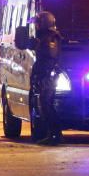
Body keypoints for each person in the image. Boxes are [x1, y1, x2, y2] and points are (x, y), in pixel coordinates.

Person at [29, 11, 63, 146]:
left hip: (48, 76)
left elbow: (48, 58)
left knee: (47, 105)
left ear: (43, 23)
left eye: (37, 23)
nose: (36, 26)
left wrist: (42, 74)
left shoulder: (51, 38)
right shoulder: (45, 37)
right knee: (45, 105)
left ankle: (55, 134)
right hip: (45, 75)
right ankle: (53, 133)